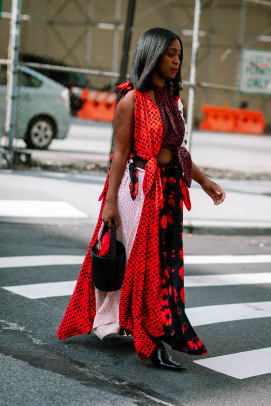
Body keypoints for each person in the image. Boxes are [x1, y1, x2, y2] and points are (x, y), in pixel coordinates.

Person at [57, 27, 226, 371]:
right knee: (144, 266)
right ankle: (150, 342)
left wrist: (205, 181)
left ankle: (142, 324)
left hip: (169, 190)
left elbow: (178, 151)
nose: (176, 60)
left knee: (162, 266)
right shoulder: (131, 99)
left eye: (179, 54)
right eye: (169, 54)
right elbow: (119, 154)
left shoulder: (174, 100)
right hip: (138, 192)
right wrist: (110, 203)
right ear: (152, 56)